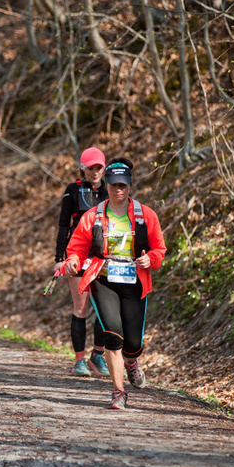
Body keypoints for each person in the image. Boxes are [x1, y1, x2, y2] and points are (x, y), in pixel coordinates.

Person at [63, 160, 166, 410]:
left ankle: (131, 362)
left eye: (123, 185)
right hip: (103, 280)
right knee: (113, 335)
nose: (118, 189)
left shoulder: (146, 215)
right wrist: (72, 262)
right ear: (107, 185)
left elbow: (159, 250)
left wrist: (150, 259)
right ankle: (119, 392)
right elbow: (76, 248)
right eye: (114, 185)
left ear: (129, 185)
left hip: (134, 281)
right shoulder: (93, 216)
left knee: (133, 343)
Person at [54, 147, 110, 377]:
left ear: (104, 168)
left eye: (99, 168)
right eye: (90, 168)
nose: (95, 172)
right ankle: (79, 361)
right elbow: (63, 225)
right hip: (77, 255)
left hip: (102, 256)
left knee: (104, 309)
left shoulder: (110, 191)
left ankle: (97, 355)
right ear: (82, 168)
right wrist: (59, 259)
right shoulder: (73, 190)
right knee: (81, 308)